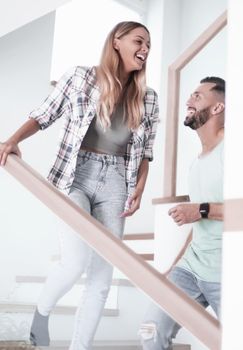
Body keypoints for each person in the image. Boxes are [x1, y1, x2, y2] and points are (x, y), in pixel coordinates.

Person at [0, 21, 159, 349]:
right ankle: (41, 313)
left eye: (149, 45)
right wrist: (12, 140)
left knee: (102, 279)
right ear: (117, 41)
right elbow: (44, 114)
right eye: (139, 41)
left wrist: (139, 188)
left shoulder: (149, 97)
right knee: (74, 262)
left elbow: (145, 153)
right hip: (75, 174)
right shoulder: (79, 78)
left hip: (117, 181)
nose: (145, 49)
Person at [139, 76, 225, 350]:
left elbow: (204, 213)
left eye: (198, 96)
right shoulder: (197, 163)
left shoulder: (234, 151)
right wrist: (173, 268)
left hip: (228, 272)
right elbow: (200, 224)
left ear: (217, 108)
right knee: (150, 331)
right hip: (191, 266)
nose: (189, 100)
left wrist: (200, 210)